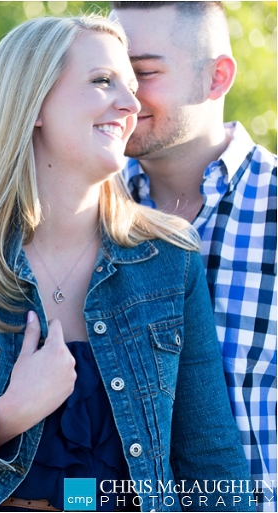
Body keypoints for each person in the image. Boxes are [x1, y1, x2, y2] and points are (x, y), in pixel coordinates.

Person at [0, 3, 277, 511]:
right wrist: (6, 416)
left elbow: (211, 468)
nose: (132, 102)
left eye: (140, 77)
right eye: (108, 79)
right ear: (32, 101)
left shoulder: (167, 257)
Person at [108, 4, 277, 510]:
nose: (123, 97)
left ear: (216, 77)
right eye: (107, 76)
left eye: (142, 73)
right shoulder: (73, 216)